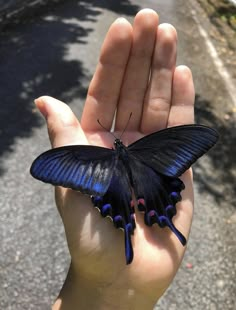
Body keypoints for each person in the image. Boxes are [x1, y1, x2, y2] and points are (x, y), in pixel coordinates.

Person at [35, 9, 195, 310]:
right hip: (145, 176)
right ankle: (161, 224)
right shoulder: (144, 147)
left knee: (137, 200)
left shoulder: (96, 158)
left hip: (117, 186)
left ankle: (137, 232)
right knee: (156, 194)